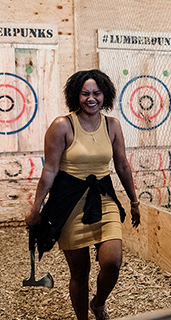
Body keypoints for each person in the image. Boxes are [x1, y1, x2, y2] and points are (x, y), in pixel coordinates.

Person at [25, 69, 140, 320]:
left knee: (112, 262)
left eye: (97, 93)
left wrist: (134, 201)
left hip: (104, 198)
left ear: (105, 95)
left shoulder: (113, 126)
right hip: (69, 203)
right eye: (85, 93)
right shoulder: (62, 125)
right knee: (80, 272)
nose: (91, 98)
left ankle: (98, 303)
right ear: (76, 96)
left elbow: (121, 165)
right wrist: (36, 208)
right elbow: (50, 169)